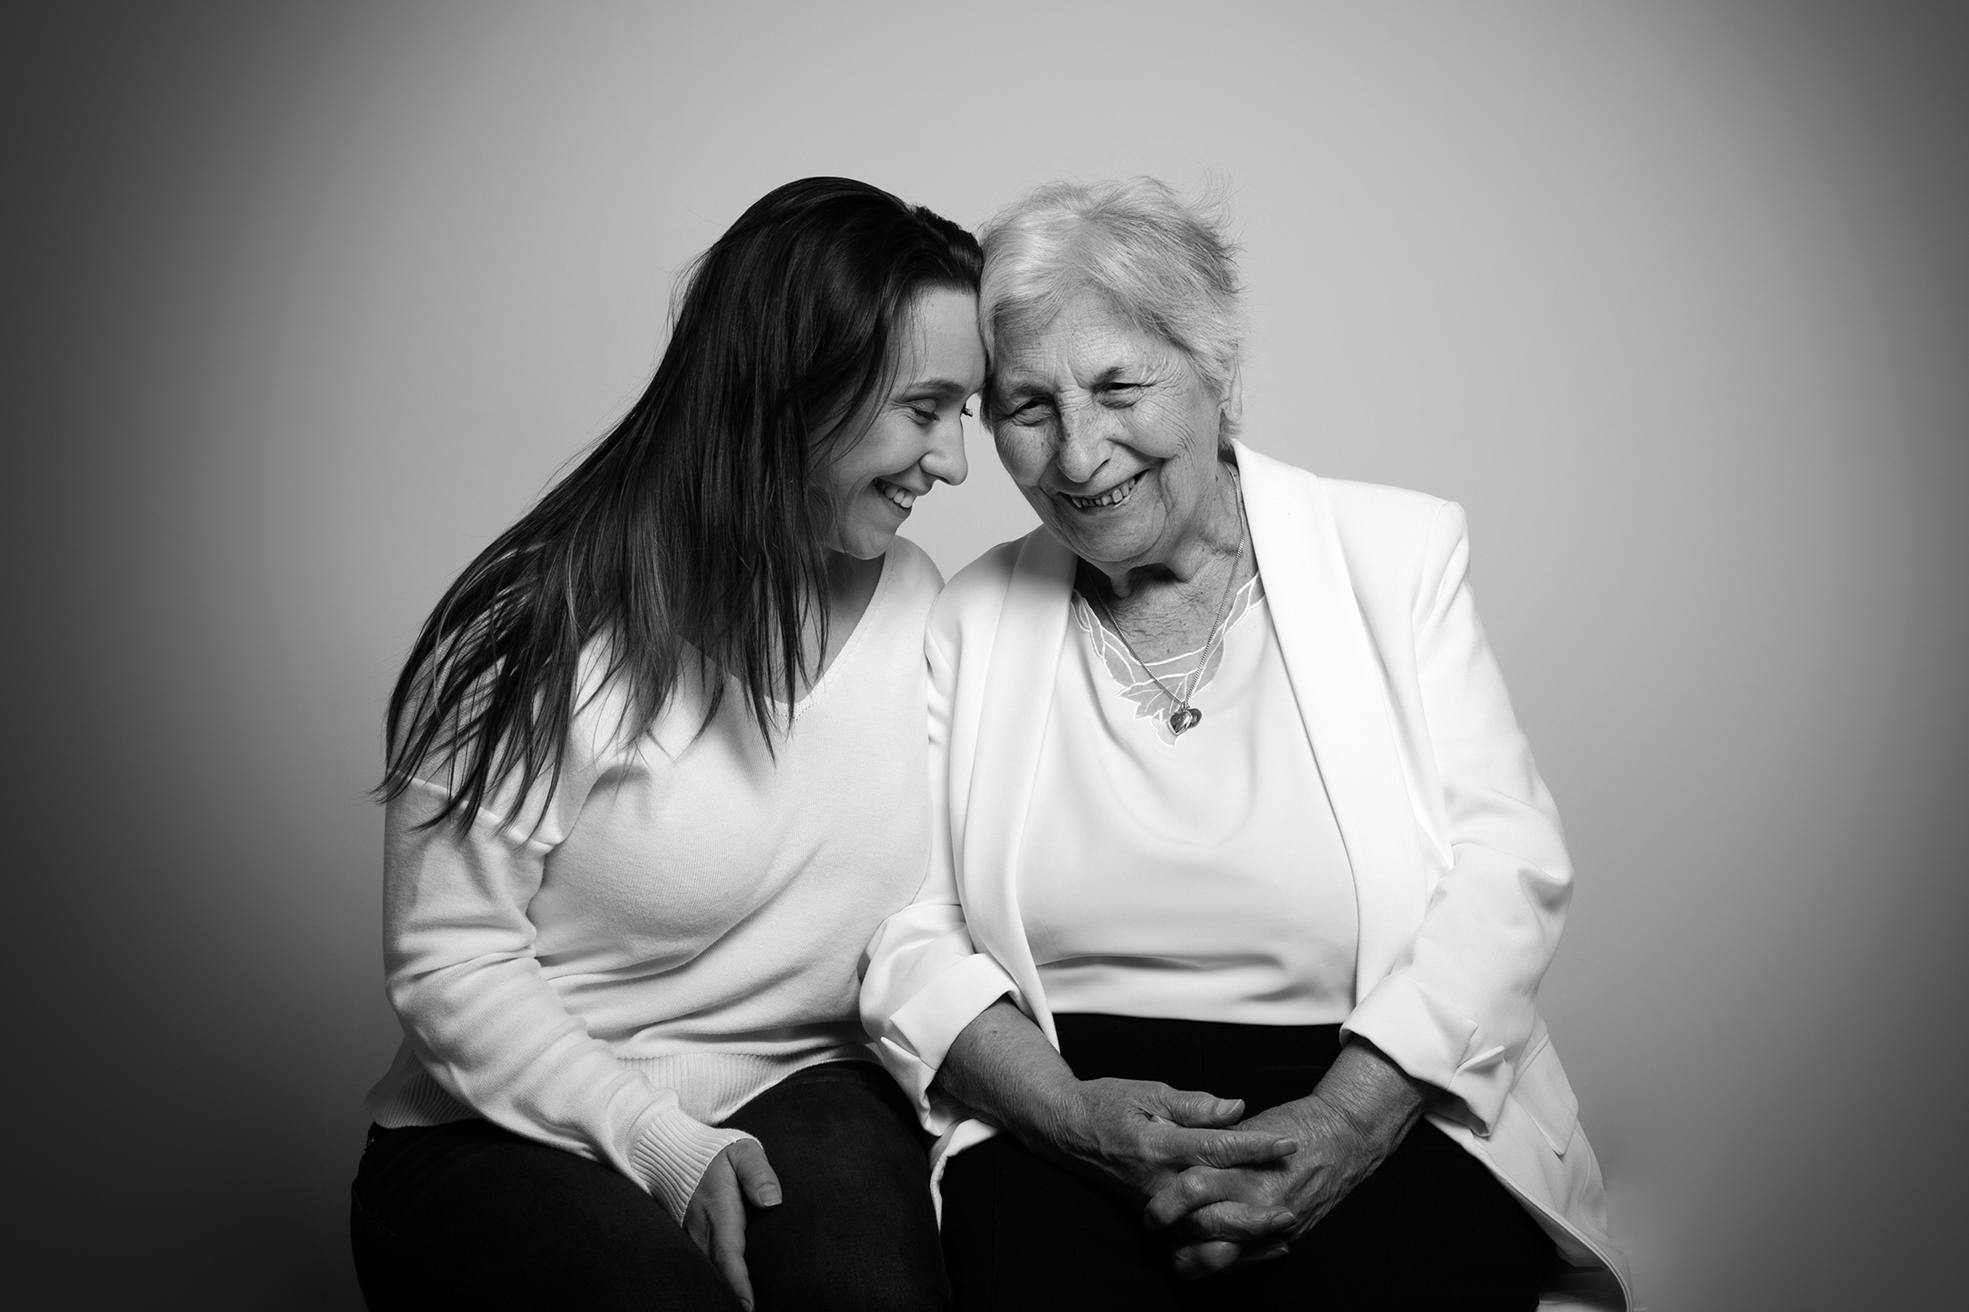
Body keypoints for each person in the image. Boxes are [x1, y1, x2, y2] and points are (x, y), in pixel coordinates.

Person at [858, 178, 1634, 1311]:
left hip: (1375, 1087)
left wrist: (1341, 1121)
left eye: (1120, 386)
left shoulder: (1394, 552)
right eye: (1028, 406)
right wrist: (1070, 1119)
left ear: (1217, 374)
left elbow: (1507, 871)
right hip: (1066, 1109)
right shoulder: (965, 616)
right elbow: (906, 931)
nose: (1079, 456)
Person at [349, 177, 985, 1312]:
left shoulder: (918, 602)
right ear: (795, 385)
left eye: (965, 412)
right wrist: (659, 1140)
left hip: (809, 1089)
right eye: (922, 407)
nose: (953, 463)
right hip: (506, 1125)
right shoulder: (543, 632)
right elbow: (449, 962)